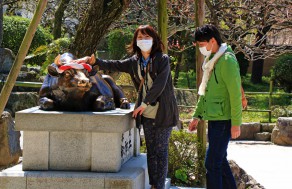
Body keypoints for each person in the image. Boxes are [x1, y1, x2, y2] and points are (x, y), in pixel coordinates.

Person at [75, 25, 179, 189]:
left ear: (154, 40)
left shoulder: (162, 59)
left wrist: (144, 104)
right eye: (139, 38)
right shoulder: (134, 62)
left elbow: (160, 85)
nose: (143, 41)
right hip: (145, 114)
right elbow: (114, 64)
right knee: (151, 152)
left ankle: (158, 185)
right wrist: (94, 61)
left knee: (161, 151)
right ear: (135, 42)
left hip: (162, 112)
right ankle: (153, 185)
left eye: (146, 37)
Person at [188, 24, 242, 189]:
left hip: (224, 120)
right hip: (215, 118)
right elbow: (207, 93)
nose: (201, 48)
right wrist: (196, 116)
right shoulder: (212, 60)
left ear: (212, 41)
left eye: (202, 44)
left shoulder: (227, 60)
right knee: (219, 162)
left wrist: (236, 123)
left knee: (212, 163)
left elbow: (235, 94)